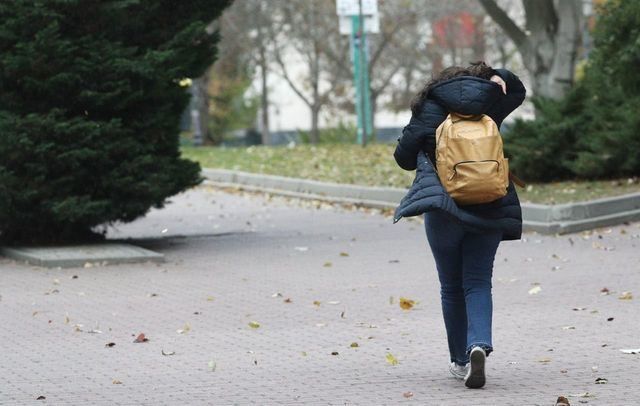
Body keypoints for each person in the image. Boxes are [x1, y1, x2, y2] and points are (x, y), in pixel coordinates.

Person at [393, 62, 526, 389]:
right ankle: (478, 343)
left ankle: (460, 360)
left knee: (451, 286)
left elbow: (403, 157)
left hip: (444, 209)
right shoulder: (490, 103)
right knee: (478, 281)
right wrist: (501, 77)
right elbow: (519, 91)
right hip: (490, 205)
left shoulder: (430, 106)